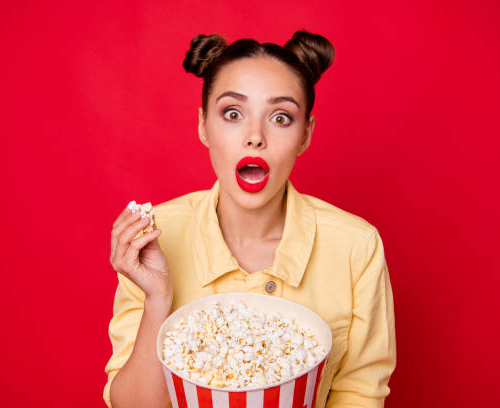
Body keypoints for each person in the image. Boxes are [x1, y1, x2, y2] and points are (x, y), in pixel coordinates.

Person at [103, 31, 396, 408]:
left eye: (280, 117)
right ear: (203, 125)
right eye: (233, 113)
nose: (255, 137)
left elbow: (361, 394)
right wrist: (158, 298)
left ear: (305, 134)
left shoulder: (356, 247)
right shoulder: (156, 235)